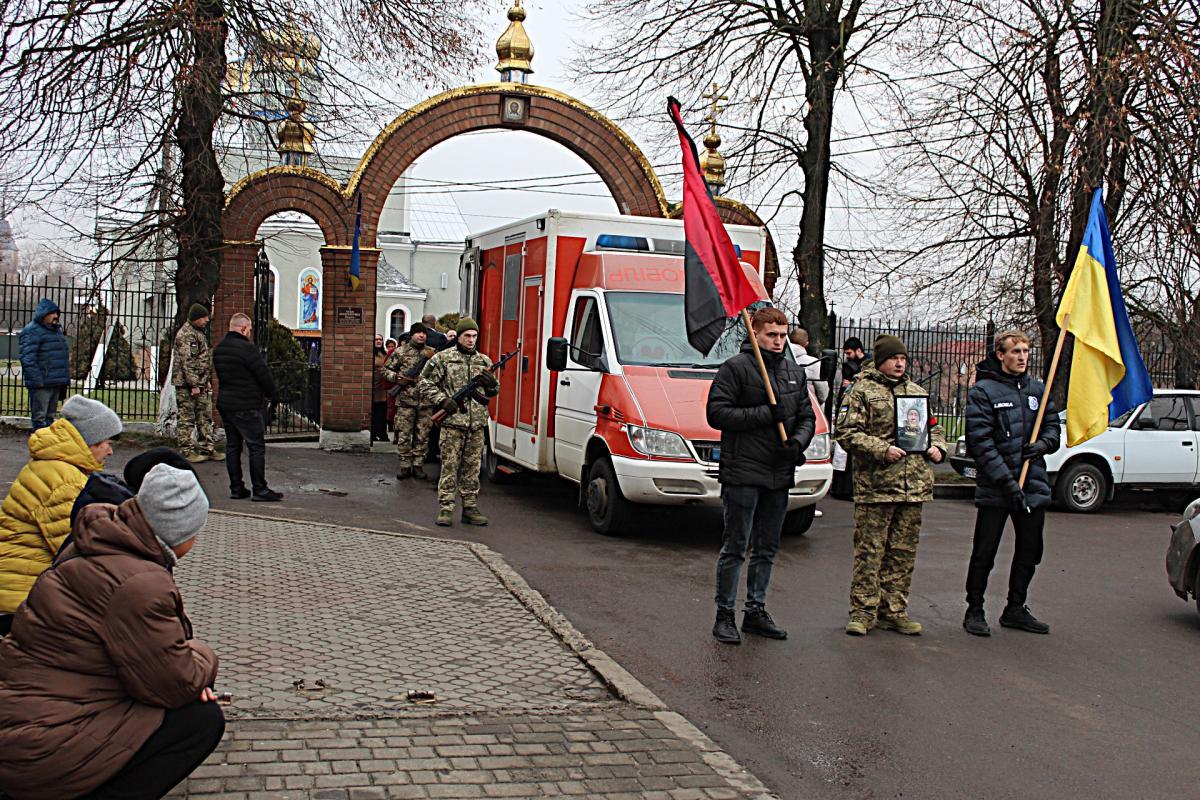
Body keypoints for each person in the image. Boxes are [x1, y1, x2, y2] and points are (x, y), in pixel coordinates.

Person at [0, 465, 224, 800]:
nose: (197, 539)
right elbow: (174, 684)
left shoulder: (93, 544)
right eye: (195, 531)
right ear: (176, 533)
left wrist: (189, 674)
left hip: (24, 717)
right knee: (200, 721)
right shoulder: (139, 583)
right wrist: (204, 658)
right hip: (42, 745)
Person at [707, 307, 816, 644]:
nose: (778, 342)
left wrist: (796, 444)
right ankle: (724, 613)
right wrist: (763, 414)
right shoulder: (736, 368)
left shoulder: (792, 370)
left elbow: (806, 416)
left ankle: (755, 610)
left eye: (783, 336)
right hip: (743, 472)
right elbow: (717, 413)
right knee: (736, 546)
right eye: (771, 335)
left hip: (778, 473)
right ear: (755, 334)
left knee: (767, 548)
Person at [835, 334, 946, 636]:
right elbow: (846, 432)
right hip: (877, 488)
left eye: (903, 359)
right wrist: (880, 449)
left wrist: (937, 447)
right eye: (894, 358)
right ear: (881, 360)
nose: (900, 363)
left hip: (913, 488)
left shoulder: (915, 392)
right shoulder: (863, 391)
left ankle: (894, 609)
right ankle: (862, 611)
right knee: (869, 553)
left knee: (902, 553)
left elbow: (933, 429)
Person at [963, 330, 1060, 636]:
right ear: (1001, 355)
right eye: (1015, 351)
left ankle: (1015, 608)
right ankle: (975, 608)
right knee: (985, 552)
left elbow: (1053, 427)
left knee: (1031, 550)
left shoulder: (1038, 390)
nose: (1021, 357)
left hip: (1033, 486)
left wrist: (1043, 445)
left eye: (1025, 351)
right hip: (997, 487)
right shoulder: (983, 391)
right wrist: (1006, 482)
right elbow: (981, 443)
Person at [0, 395, 122, 635]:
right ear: (88, 442)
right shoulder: (64, 481)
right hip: (23, 595)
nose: (109, 451)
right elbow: (73, 547)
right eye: (105, 443)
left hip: (19, 584)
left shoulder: (57, 466)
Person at [419, 317, 499, 527]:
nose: (471, 340)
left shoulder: (484, 361)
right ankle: (446, 508)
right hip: (453, 424)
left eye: (474, 336)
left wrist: (492, 386)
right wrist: (442, 400)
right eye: (467, 336)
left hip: (476, 425)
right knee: (449, 466)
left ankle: (470, 507)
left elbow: (493, 391)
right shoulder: (443, 359)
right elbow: (424, 382)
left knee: (472, 468)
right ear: (459, 337)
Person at [213, 312, 282, 502]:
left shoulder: (219, 349)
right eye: (249, 329)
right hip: (247, 405)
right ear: (243, 328)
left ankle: (237, 487)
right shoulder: (247, 349)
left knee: (233, 446)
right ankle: (260, 488)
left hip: (226, 404)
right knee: (256, 446)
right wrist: (273, 395)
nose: (250, 333)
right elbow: (263, 374)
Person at [384, 322, 436, 480]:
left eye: (424, 333)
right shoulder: (400, 352)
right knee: (405, 435)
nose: (422, 336)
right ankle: (405, 466)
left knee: (422, 435)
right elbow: (386, 370)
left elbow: (440, 373)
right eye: (418, 333)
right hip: (406, 401)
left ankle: (418, 465)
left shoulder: (431, 354)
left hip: (426, 402)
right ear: (412, 334)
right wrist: (397, 379)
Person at [172, 303, 222, 463]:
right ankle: (186, 450)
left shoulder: (197, 333)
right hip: (187, 386)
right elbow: (188, 362)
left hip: (199, 384)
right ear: (196, 318)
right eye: (204, 317)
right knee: (187, 418)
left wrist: (204, 382)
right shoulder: (186, 335)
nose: (207, 320)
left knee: (204, 416)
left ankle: (207, 447)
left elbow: (202, 360)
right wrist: (194, 384)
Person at [18, 298, 70, 431]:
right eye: (52, 313)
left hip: (54, 380)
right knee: (40, 418)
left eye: (57, 313)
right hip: (42, 382)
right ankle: (39, 443)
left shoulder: (55, 331)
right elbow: (28, 358)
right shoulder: (32, 331)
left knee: (50, 417)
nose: (56, 316)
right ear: (44, 314)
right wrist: (37, 380)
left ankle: (47, 443)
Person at [788, 327, 829, 405]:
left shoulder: (782, 359)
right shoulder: (814, 363)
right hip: (809, 406)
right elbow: (823, 393)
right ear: (806, 343)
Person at [371, 334, 389, 442]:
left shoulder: (384, 354)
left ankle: (382, 433)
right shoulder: (371, 354)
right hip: (374, 386)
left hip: (383, 388)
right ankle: (373, 433)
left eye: (380, 340)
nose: (378, 341)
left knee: (382, 412)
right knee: (374, 411)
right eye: (376, 339)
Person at [838, 336, 865, 402]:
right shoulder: (848, 365)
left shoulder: (870, 365)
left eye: (849, 353)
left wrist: (852, 385)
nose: (847, 356)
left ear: (858, 350)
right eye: (846, 353)